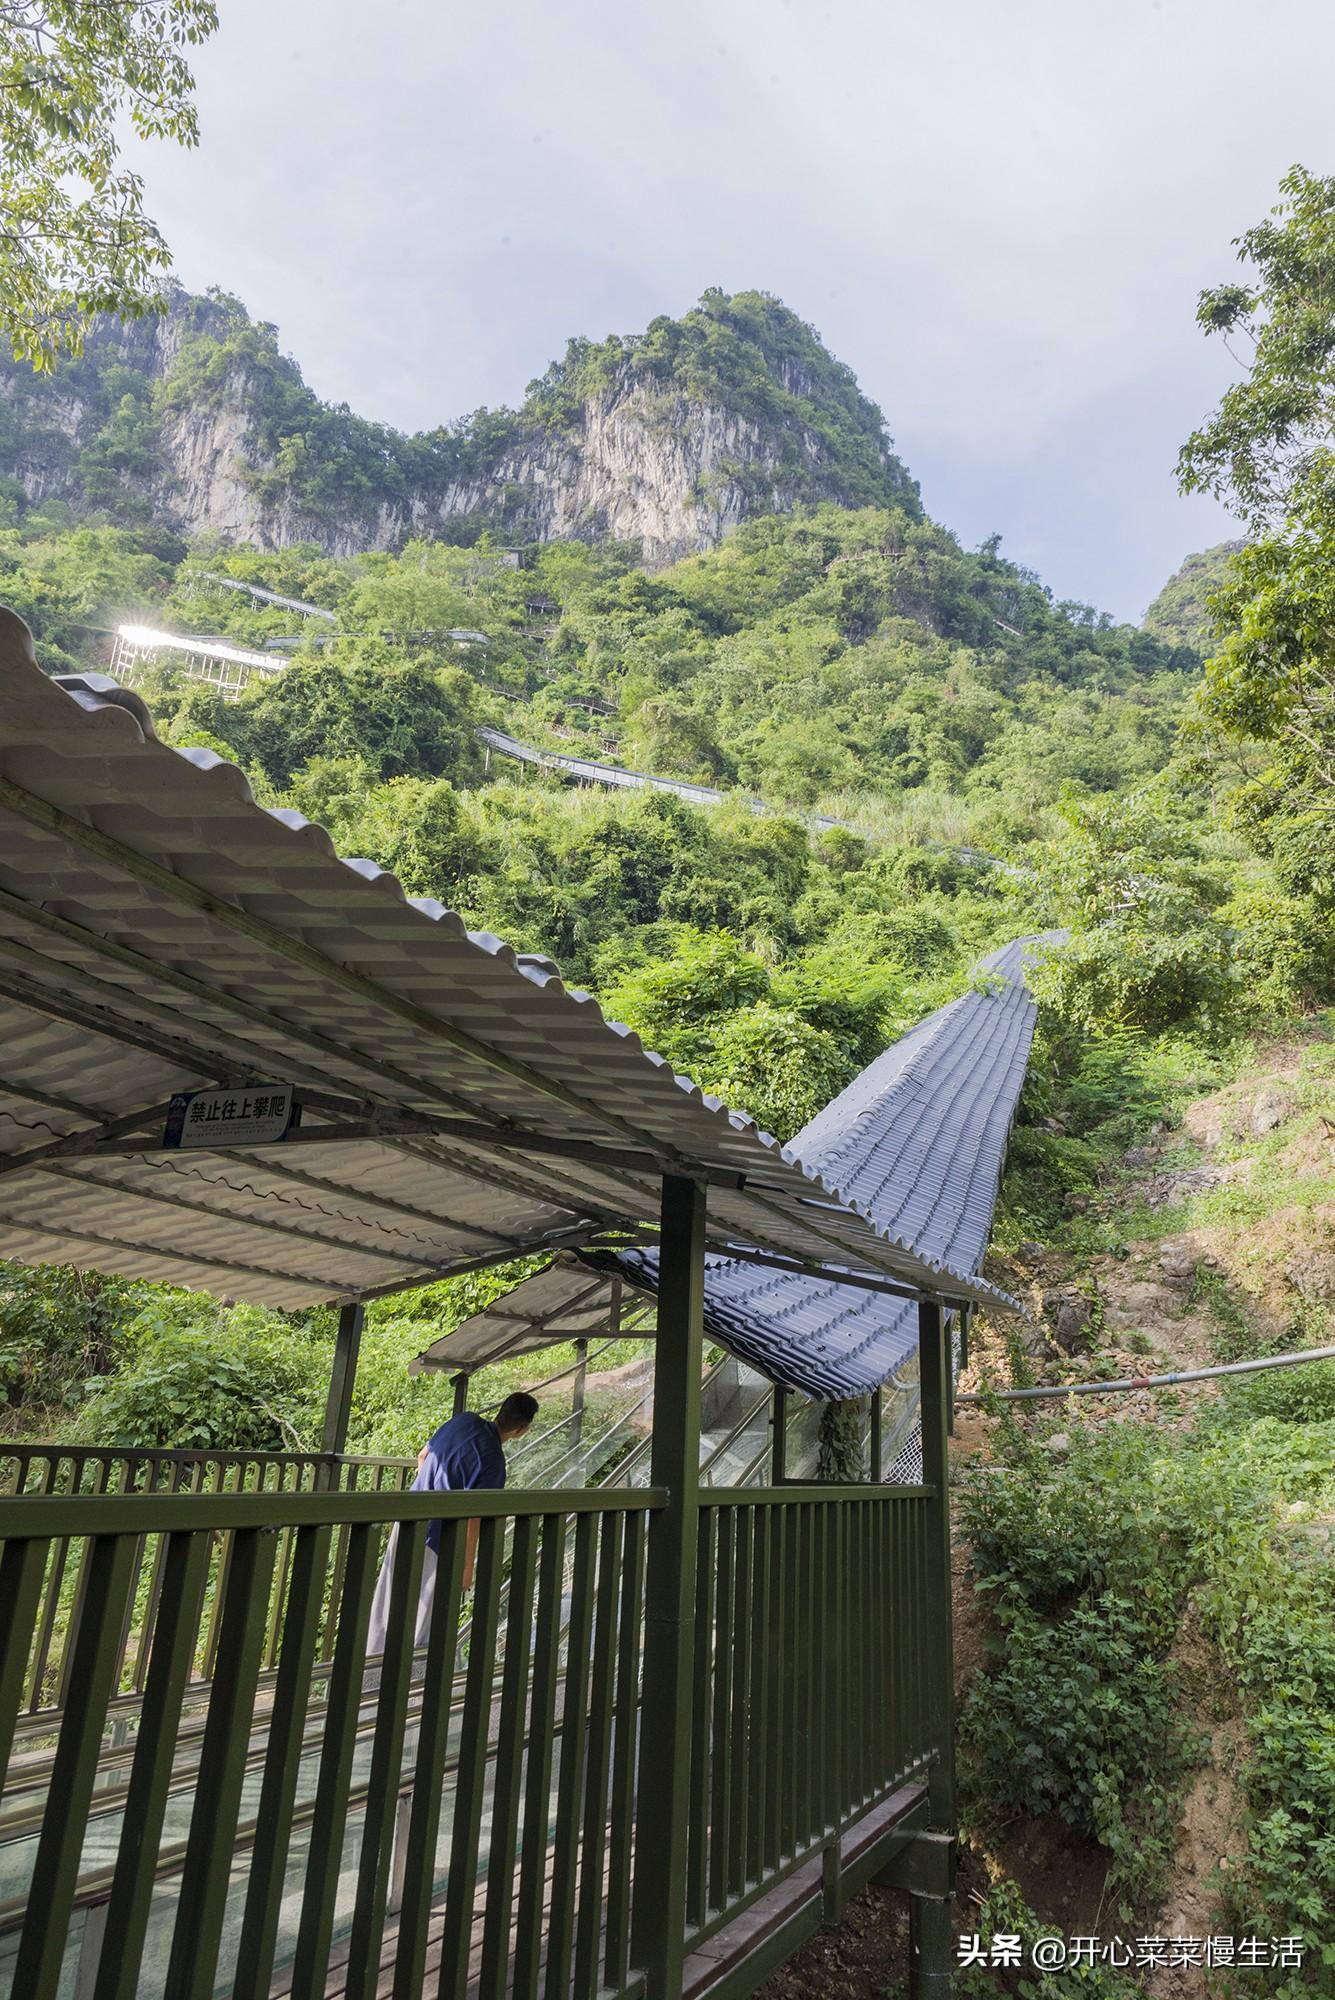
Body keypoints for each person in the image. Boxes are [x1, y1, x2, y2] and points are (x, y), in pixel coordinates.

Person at [365, 1391, 538, 1655]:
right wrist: (466, 1567)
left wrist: (430, 1496)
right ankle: (409, 1686)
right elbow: (473, 1517)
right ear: (520, 1430)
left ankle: (369, 1671)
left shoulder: (464, 1420)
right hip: (438, 1538)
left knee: (389, 1600)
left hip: (408, 1520)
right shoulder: (493, 1461)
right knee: (423, 1614)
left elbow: (423, 1456)